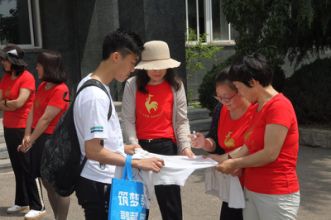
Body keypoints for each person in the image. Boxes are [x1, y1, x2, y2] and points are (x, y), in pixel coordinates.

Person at [73, 30, 164, 220]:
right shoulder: (95, 96)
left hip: (99, 178)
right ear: (116, 57)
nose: (132, 70)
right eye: (131, 63)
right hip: (99, 180)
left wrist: (122, 147)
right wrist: (138, 163)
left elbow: (94, 140)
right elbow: (93, 151)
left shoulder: (91, 82)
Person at [212, 53, 300, 220]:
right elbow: (248, 147)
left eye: (239, 87)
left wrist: (234, 163)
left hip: (276, 193)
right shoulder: (257, 108)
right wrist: (219, 159)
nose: (239, 92)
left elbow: (270, 153)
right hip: (252, 190)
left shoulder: (279, 107)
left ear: (253, 82)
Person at [122, 40, 194, 220]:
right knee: (138, 204)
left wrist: (185, 146)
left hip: (166, 148)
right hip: (140, 149)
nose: (157, 70)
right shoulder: (132, 85)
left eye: (161, 66)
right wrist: (135, 146)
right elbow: (128, 119)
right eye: (152, 66)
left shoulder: (176, 85)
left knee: (170, 204)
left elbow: (181, 120)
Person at [190, 68, 256, 220]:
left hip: (252, 184)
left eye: (226, 97)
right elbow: (216, 141)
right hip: (231, 184)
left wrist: (227, 160)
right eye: (219, 97)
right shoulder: (221, 109)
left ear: (240, 91)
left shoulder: (256, 111)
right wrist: (205, 142)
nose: (223, 102)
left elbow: (254, 146)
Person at [18, 51, 70, 220]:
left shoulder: (61, 89)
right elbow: (33, 110)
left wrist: (30, 140)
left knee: (58, 185)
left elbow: (46, 118)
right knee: (46, 181)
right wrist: (27, 134)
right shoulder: (42, 86)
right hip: (40, 139)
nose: (36, 68)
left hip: (54, 141)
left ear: (48, 67)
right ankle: (57, 217)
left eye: (39, 65)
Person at [0, 44, 46, 219]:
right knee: (17, 167)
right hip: (9, 126)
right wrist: (7, 103)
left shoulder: (27, 78)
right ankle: (22, 201)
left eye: (5, 59)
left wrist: (6, 103)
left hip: (23, 127)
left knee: (28, 167)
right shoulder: (6, 78)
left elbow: (20, 102)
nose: (3, 63)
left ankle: (38, 205)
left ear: (13, 60)